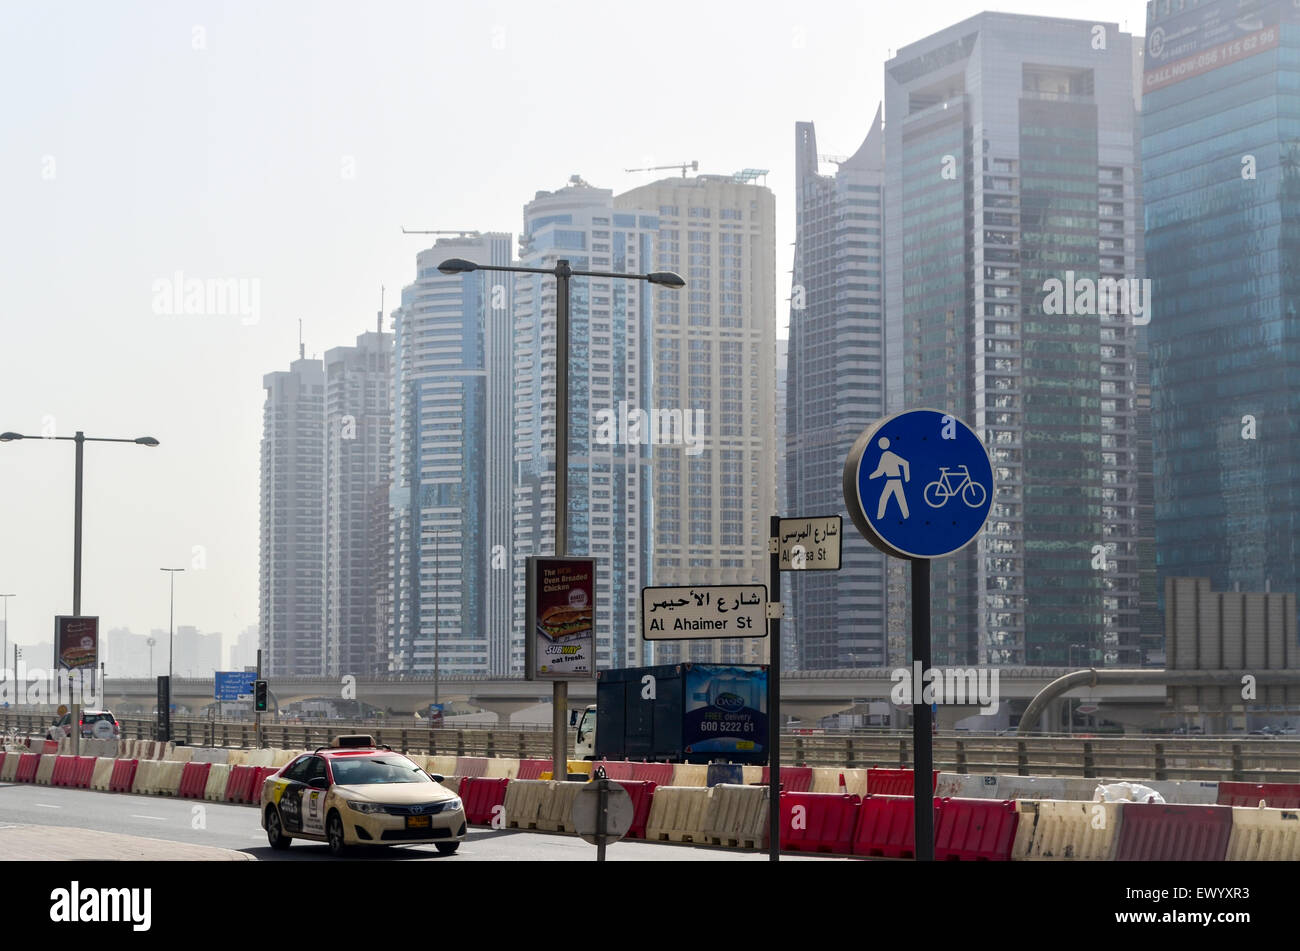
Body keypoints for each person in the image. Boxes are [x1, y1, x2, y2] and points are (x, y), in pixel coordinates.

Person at [868, 436, 910, 519]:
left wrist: (907, 478)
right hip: (893, 480)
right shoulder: (887, 455)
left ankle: (880, 517)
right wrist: (906, 478)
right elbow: (881, 472)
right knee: (898, 500)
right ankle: (905, 516)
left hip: (894, 480)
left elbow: (905, 463)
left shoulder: (887, 455)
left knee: (885, 498)